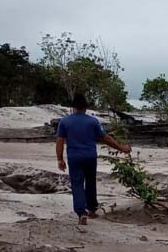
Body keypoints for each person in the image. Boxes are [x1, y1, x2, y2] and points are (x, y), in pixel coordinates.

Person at [55, 93, 131, 225]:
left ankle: (81, 213)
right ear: (85, 107)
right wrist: (121, 148)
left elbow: (60, 142)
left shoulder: (65, 121)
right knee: (90, 182)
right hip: (90, 156)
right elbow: (105, 138)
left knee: (77, 184)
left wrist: (60, 159)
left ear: (73, 107)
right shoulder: (93, 121)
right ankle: (91, 209)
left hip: (74, 157)